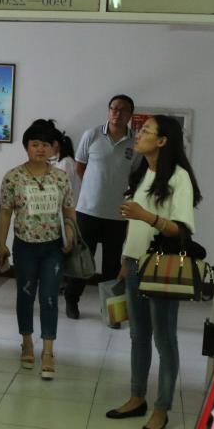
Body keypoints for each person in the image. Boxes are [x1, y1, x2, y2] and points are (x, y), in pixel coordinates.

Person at [105, 115, 201, 429]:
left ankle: (162, 407)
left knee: (164, 338)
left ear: (162, 141)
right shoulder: (142, 170)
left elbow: (181, 229)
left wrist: (145, 215)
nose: (139, 134)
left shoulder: (179, 177)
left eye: (146, 131)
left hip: (161, 266)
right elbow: (132, 222)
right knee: (138, 335)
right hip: (134, 263)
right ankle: (137, 397)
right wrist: (125, 257)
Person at [0, 120, 76, 379]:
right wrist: (1, 243)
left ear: (54, 148)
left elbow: (69, 209)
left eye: (46, 145)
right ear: (26, 147)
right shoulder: (13, 177)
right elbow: (5, 212)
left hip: (53, 247)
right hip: (24, 246)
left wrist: (71, 232)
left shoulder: (61, 177)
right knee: (25, 294)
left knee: (50, 297)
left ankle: (48, 350)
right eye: (35, 144)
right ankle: (27, 342)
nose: (41, 149)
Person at [65, 94, 136, 325]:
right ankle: (71, 300)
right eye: (113, 108)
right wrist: (95, 190)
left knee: (112, 267)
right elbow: (80, 167)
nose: (117, 113)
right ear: (108, 110)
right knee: (82, 261)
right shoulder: (92, 134)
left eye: (123, 110)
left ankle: (112, 312)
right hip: (88, 211)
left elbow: (134, 176)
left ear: (130, 114)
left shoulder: (135, 143)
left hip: (118, 215)